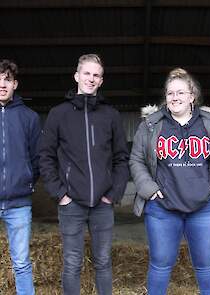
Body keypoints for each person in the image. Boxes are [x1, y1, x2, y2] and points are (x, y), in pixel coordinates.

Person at [129, 68, 210, 295]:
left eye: (180, 93)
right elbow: (136, 160)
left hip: (204, 207)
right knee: (160, 264)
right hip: (162, 208)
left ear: (192, 96)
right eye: (170, 93)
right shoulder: (151, 125)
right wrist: (149, 189)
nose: (175, 97)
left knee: (205, 265)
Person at [39, 54, 129, 295]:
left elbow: (122, 157)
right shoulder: (59, 113)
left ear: (101, 81)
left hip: (103, 204)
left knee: (103, 263)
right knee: (71, 264)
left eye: (96, 75)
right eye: (87, 73)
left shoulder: (110, 115)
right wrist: (60, 194)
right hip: (71, 205)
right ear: (77, 76)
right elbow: (45, 156)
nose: (91, 79)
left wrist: (113, 193)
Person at [0, 59, 41, 294]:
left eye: (7, 79)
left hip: (19, 204)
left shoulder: (29, 117)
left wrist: (25, 181)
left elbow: (37, 159)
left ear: (15, 84)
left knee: (22, 263)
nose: (2, 84)